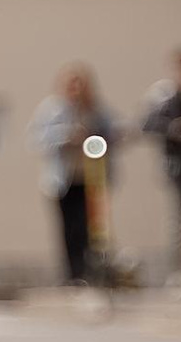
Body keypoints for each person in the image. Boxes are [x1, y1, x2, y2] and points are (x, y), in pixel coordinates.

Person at [29, 64, 117, 286]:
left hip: (92, 177)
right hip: (64, 179)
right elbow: (37, 139)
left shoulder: (95, 109)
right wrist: (66, 136)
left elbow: (115, 131)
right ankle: (72, 273)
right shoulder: (52, 110)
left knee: (92, 225)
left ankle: (94, 269)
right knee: (70, 227)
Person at [142, 44, 181, 283]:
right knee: (178, 221)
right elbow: (147, 124)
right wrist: (173, 128)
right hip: (176, 165)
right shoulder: (163, 95)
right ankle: (179, 270)